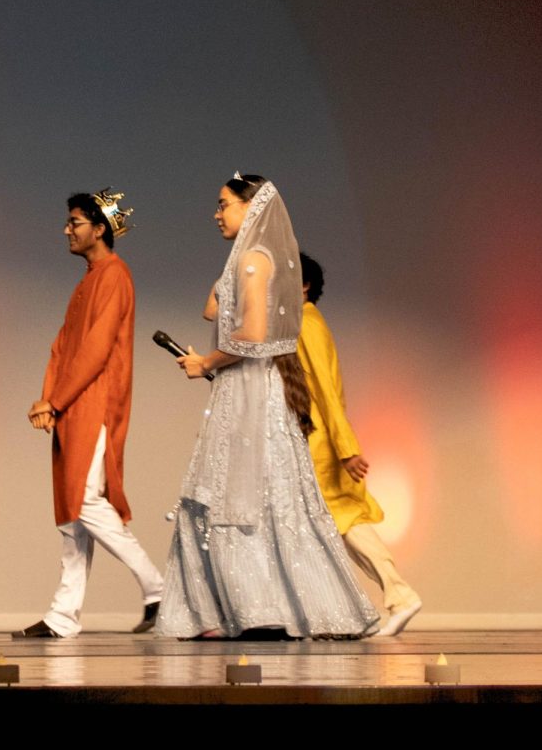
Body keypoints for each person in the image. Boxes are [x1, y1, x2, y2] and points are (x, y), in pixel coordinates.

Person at [155, 174, 378, 639]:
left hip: (249, 390)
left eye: (224, 205)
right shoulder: (253, 260)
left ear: (250, 208)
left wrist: (205, 362)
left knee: (241, 493)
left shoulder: (256, 262)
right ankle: (242, 609)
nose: (216, 214)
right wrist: (232, 267)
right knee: (254, 491)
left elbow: (254, 336)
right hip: (249, 389)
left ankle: (256, 610)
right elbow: (212, 311)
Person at [13, 191, 164, 639]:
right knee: (70, 512)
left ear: (100, 228)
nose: (67, 229)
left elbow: (97, 350)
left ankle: (159, 587)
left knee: (83, 502)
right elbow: (62, 346)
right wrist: (48, 401)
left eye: (75, 222)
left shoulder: (115, 276)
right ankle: (64, 614)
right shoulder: (89, 280)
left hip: (95, 401)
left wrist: (56, 401)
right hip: (73, 402)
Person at [297, 252, 422, 636]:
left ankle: (399, 597)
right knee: (336, 525)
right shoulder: (304, 322)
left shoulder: (305, 323)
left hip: (320, 441)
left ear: (304, 286)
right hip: (317, 436)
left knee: (344, 522)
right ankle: (375, 604)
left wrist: (345, 447)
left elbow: (326, 391)